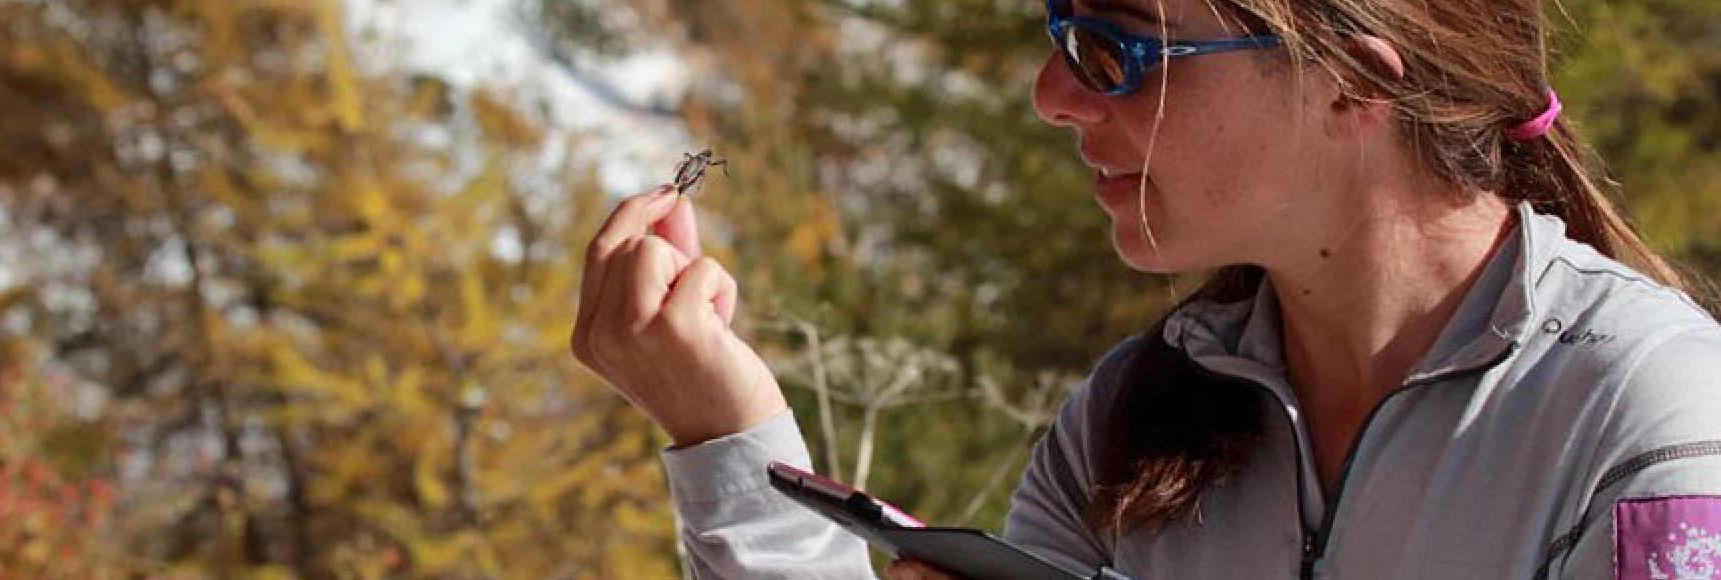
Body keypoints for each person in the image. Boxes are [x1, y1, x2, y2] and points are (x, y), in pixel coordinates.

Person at [569, 0, 1721, 577]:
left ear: (1349, 86)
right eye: (1057, 31)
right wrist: (725, 435)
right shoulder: (1136, 411)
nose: (1050, 94)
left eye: (1114, 48)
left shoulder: (1644, 414)